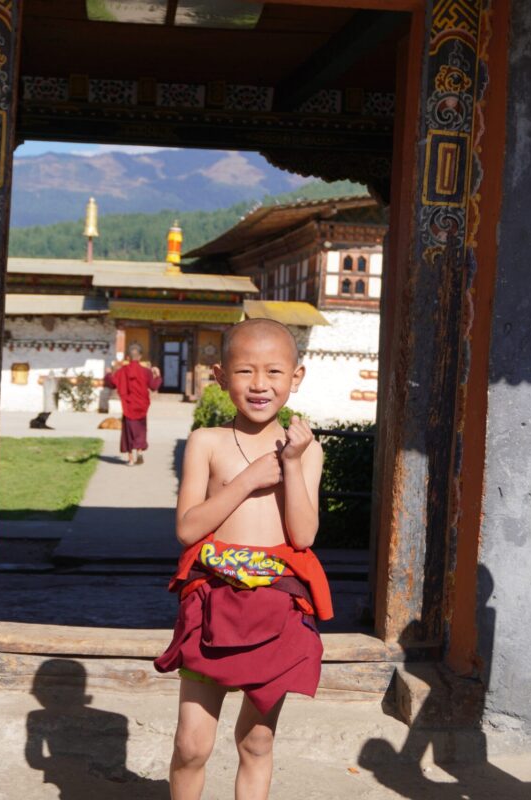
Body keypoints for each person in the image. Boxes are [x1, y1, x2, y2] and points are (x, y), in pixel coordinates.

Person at [153, 318, 333, 800]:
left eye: (274, 372)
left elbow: (304, 534)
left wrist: (291, 464)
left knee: (257, 741)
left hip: (276, 607)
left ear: (296, 377)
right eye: (245, 372)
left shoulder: (307, 450)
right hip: (213, 602)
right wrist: (249, 480)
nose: (260, 385)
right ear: (219, 375)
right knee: (191, 743)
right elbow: (188, 529)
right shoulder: (207, 442)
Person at [104, 344, 163, 465]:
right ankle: (140, 452)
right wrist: (158, 375)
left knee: (128, 432)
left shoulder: (122, 371)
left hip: (128, 406)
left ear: (127, 357)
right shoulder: (146, 372)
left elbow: (112, 383)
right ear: (140, 357)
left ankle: (130, 459)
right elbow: (154, 386)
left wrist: (108, 374)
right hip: (141, 407)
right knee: (140, 430)